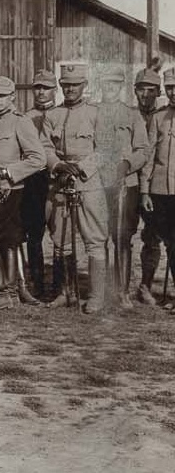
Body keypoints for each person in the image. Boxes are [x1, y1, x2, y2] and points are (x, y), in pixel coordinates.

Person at [40, 62, 110, 313]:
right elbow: (44, 148)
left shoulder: (96, 113)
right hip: (59, 184)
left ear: (85, 86)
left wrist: (81, 168)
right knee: (60, 241)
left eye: (75, 85)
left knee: (94, 240)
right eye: (65, 85)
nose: (69, 89)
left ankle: (96, 296)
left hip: (89, 185)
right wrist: (58, 165)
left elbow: (106, 150)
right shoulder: (52, 115)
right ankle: (64, 292)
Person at [0, 76, 45, 311]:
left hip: (9, 191)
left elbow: (38, 159)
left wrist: (7, 172)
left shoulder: (20, 122)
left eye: (1, 96)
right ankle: (6, 294)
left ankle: (3, 292)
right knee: (0, 240)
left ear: (12, 97)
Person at [94, 64, 149, 309]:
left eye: (115, 84)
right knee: (98, 236)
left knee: (122, 237)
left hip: (126, 185)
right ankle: (102, 289)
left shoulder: (132, 115)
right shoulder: (92, 112)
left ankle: (123, 291)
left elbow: (143, 150)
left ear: (121, 87)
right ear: (100, 85)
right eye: (106, 84)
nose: (110, 89)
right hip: (97, 184)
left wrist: (128, 164)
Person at [140, 67, 175, 313]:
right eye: (170, 87)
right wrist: (144, 191)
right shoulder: (158, 117)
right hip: (160, 191)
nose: (173, 92)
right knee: (167, 242)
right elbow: (149, 157)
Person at [21, 69, 57, 299]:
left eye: (46, 87)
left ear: (55, 89)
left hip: (58, 179)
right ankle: (37, 282)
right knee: (34, 233)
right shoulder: (25, 117)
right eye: (38, 88)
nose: (42, 92)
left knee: (60, 232)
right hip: (34, 180)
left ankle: (62, 284)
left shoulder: (63, 114)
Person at [132, 67, 164, 304]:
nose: (145, 95)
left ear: (159, 92)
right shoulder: (127, 115)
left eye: (151, 90)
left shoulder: (164, 116)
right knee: (122, 236)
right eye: (141, 90)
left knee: (153, 237)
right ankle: (121, 286)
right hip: (130, 184)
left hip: (157, 189)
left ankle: (145, 285)